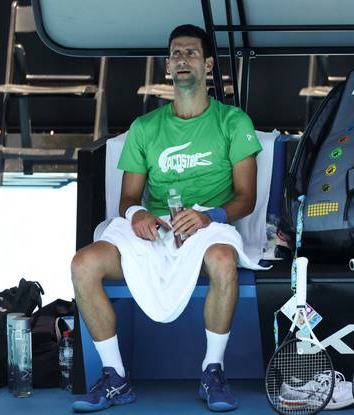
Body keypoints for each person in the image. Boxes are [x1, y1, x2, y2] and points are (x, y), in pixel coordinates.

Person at [70, 24, 262, 413]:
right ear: (167, 66)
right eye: (176, 54)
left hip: (210, 223)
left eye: (191, 53)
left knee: (225, 261)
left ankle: (213, 371)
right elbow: (127, 197)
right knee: (83, 263)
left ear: (208, 65)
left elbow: (247, 198)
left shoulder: (233, 121)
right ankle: (115, 378)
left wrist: (210, 217)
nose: (182, 60)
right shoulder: (145, 127)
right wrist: (138, 214)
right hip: (156, 227)